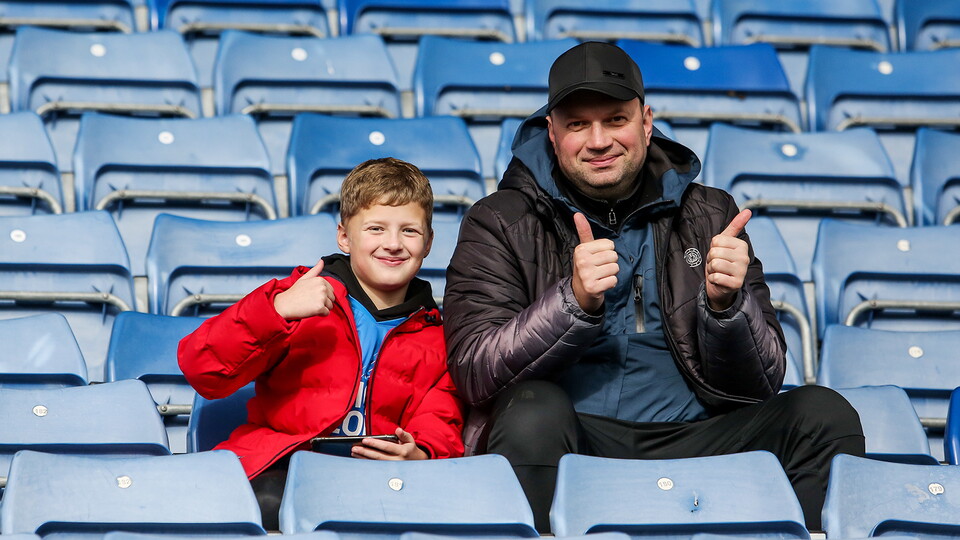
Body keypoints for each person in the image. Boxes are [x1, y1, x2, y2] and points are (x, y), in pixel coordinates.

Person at [443, 41, 864, 533]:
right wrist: (570, 303)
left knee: (822, 414)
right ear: (552, 133)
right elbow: (473, 369)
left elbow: (762, 382)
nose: (598, 141)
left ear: (646, 121)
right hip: (575, 438)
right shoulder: (499, 219)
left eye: (615, 120)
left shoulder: (710, 214)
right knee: (531, 412)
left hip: (701, 435)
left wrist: (728, 308)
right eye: (578, 124)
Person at [179, 157, 465, 530]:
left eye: (409, 231)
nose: (393, 244)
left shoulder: (440, 334)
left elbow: (439, 415)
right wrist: (278, 310)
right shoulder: (296, 298)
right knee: (270, 506)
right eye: (376, 228)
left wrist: (422, 452)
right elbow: (203, 369)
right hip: (283, 469)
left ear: (428, 242)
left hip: (377, 481)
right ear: (344, 236)